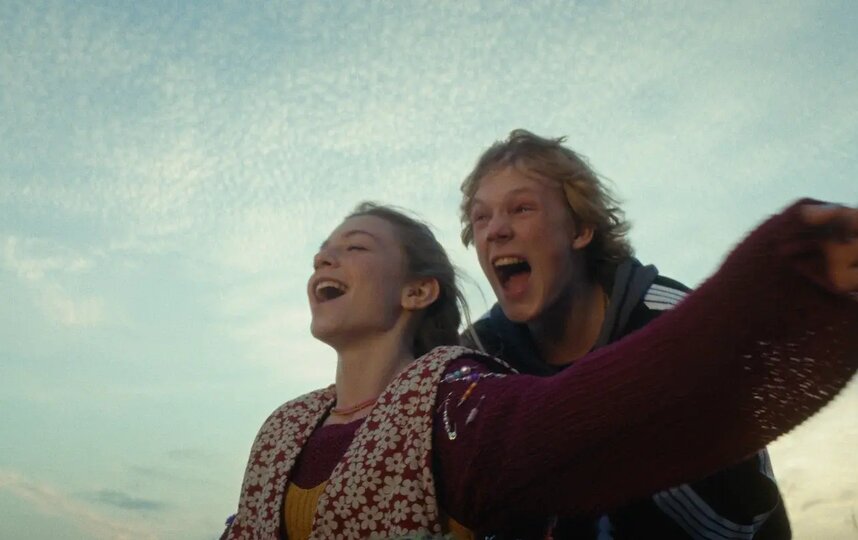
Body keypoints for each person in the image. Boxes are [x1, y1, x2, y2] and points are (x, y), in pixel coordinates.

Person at [222, 199, 858, 540]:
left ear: (418, 292)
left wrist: (791, 274)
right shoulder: (285, 427)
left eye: (354, 247)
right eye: (322, 251)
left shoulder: (456, 402)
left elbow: (595, 414)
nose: (324, 259)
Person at [457, 129, 800, 538]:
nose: (495, 230)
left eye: (521, 208)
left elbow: (743, 513)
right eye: (481, 217)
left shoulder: (674, 322)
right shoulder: (478, 360)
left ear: (580, 230)